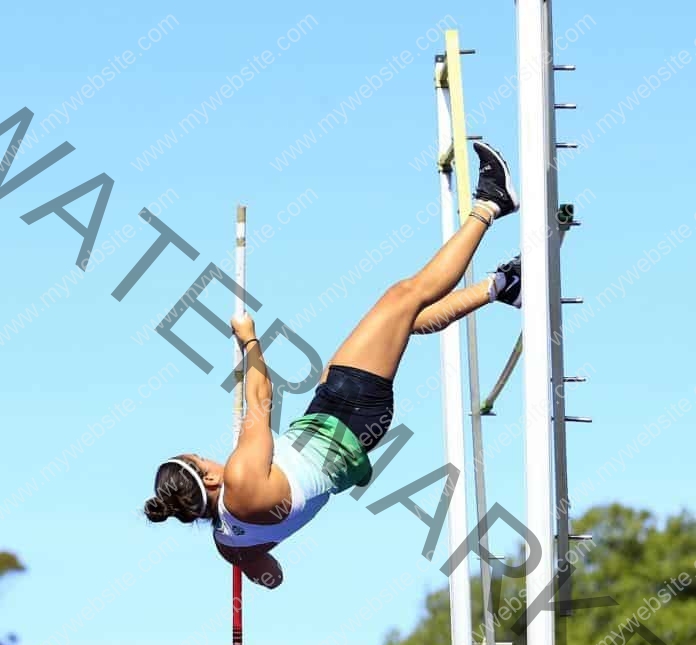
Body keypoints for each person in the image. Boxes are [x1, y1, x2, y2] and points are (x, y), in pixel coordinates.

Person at [144, 142, 522, 588]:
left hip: (340, 423)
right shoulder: (241, 481)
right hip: (349, 410)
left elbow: (272, 577)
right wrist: (248, 338)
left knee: (406, 322)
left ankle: (502, 286)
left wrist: (248, 561)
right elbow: (262, 399)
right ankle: (492, 204)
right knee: (404, 296)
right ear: (205, 475)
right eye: (202, 456)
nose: (211, 457)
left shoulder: (231, 543)